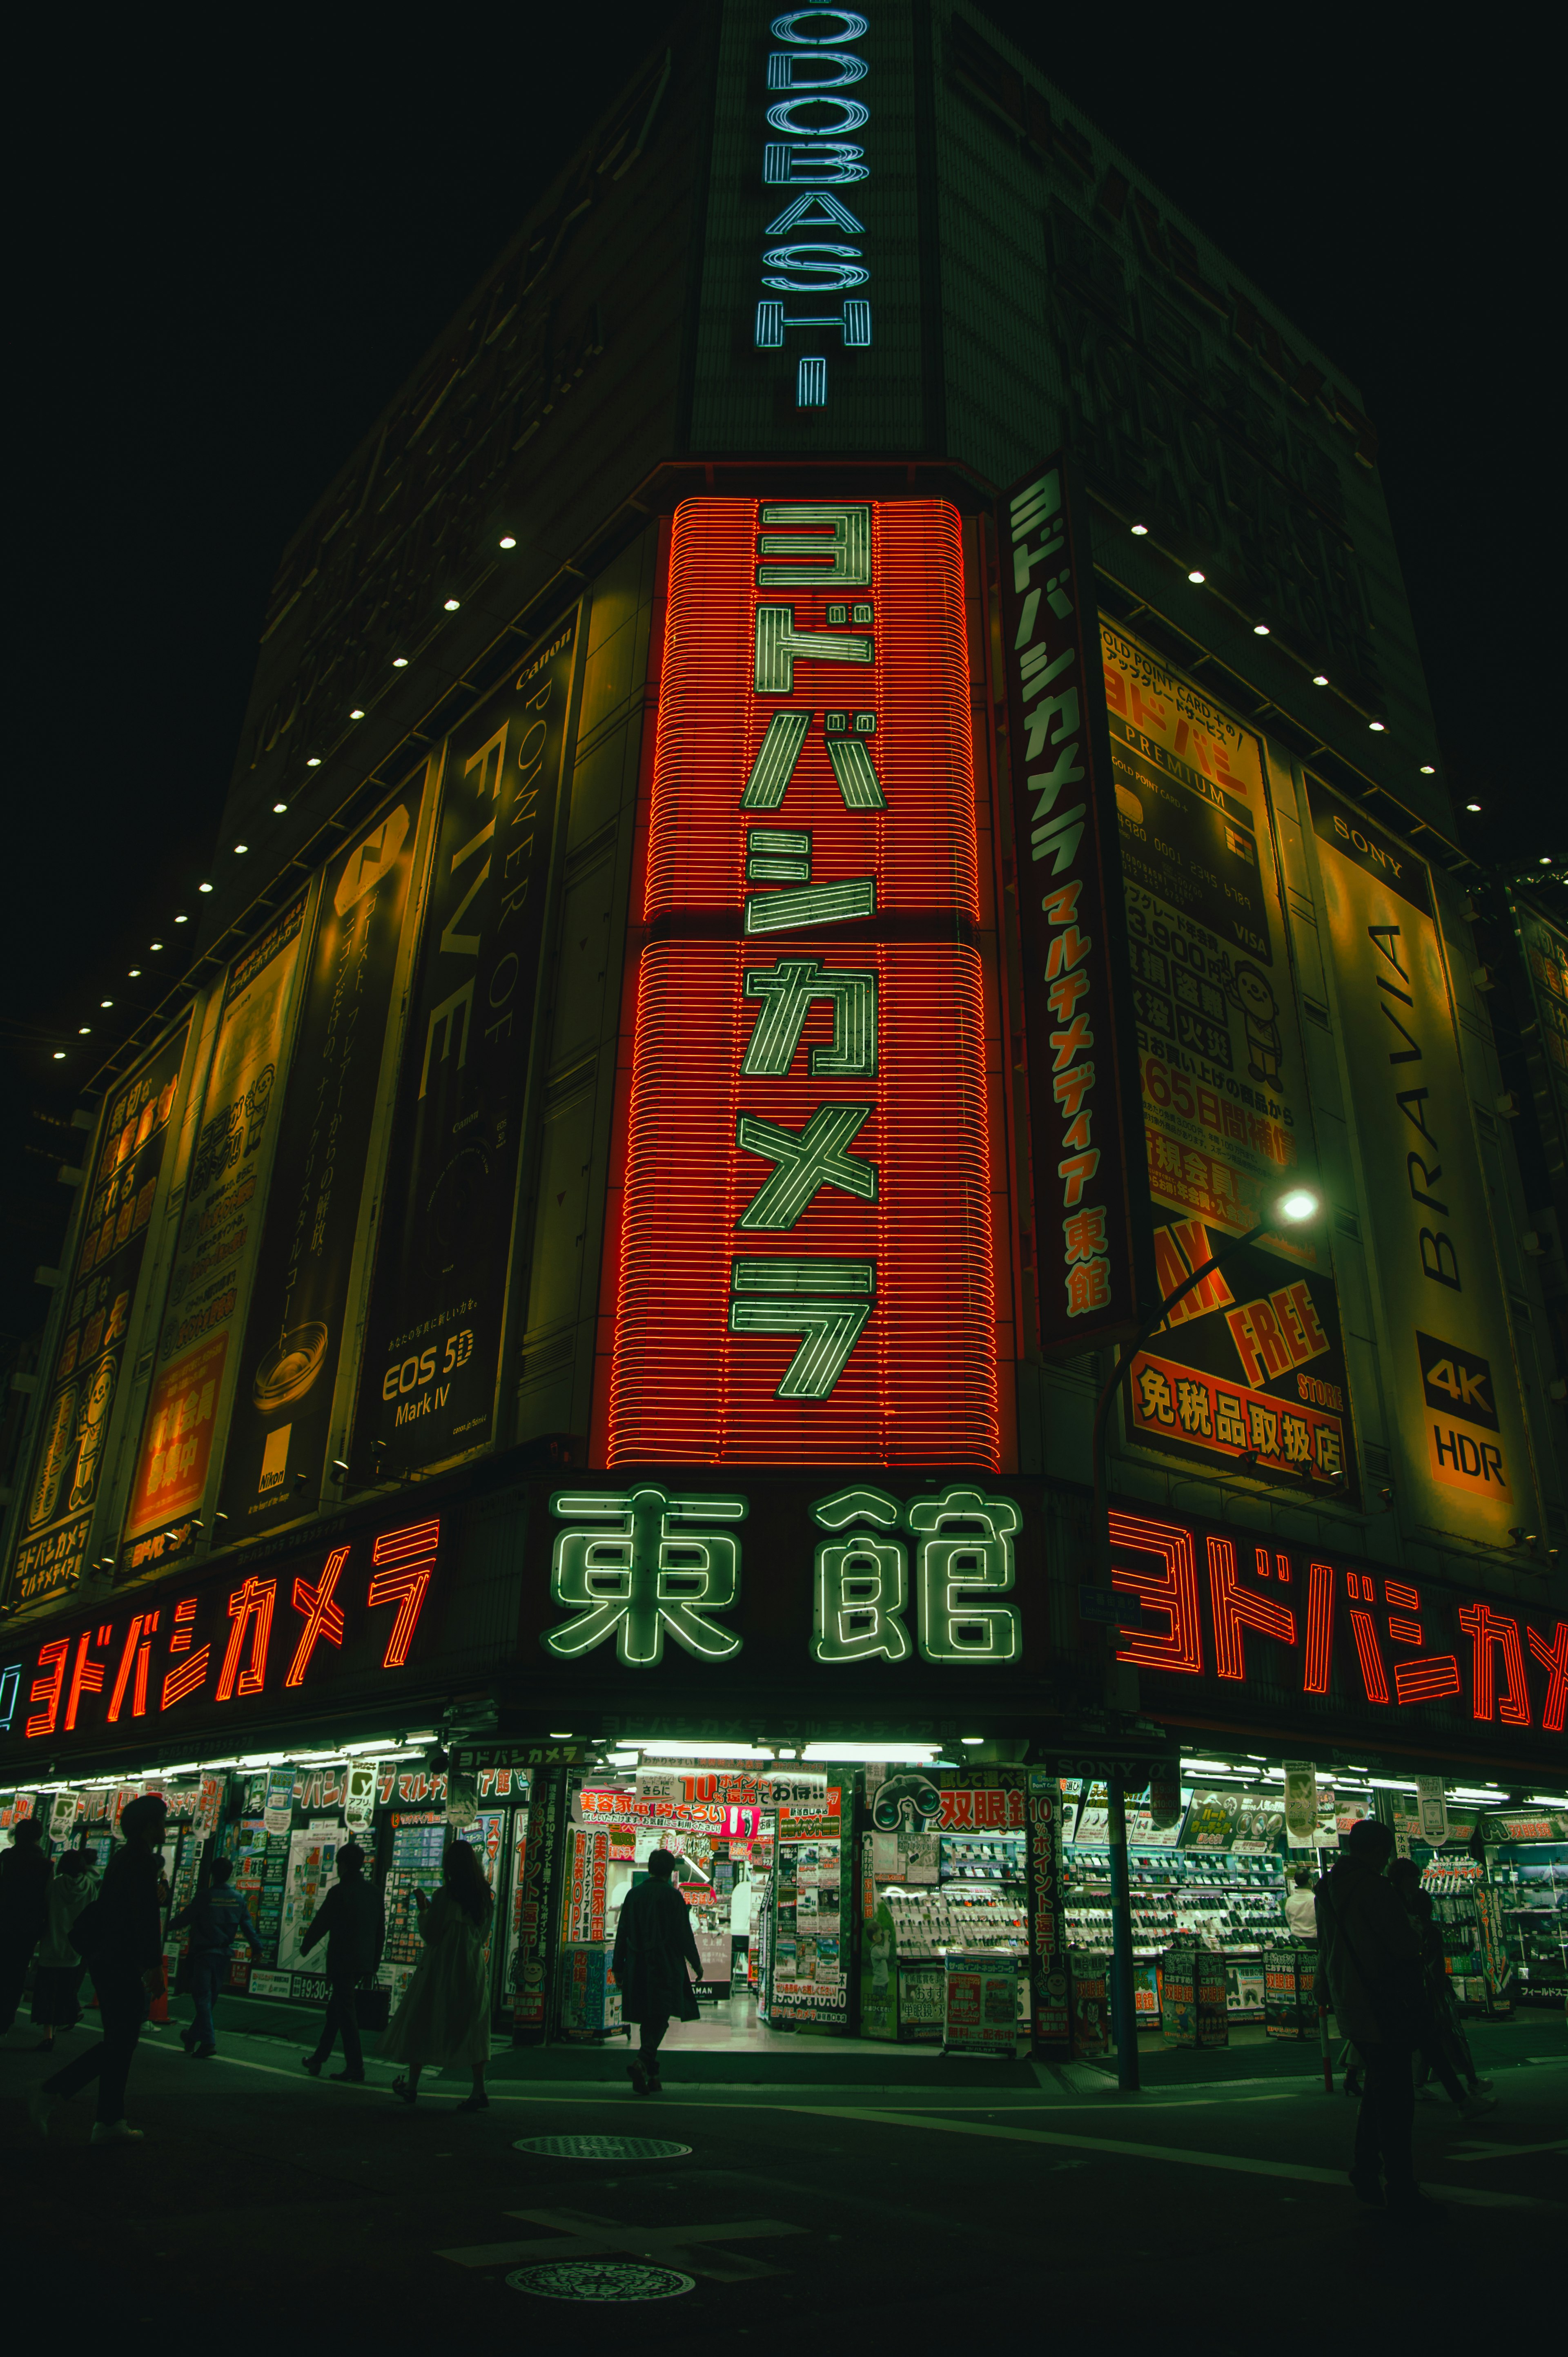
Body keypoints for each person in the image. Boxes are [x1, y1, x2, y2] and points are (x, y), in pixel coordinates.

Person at [29, 1794, 167, 2144]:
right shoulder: (142, 1860)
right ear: (150, 1825)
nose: (165, 1829)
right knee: (122, 2039)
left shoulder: (125, 1858)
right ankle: (53, 2092)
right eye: (161, 1822)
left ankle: (108, 2120)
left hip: (107, 1959)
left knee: (120, 2039)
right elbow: (145, 1916)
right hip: (120, 1961)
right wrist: (154, 1964)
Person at [1316, 1817, 1435, 2219]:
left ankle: (1367, 2167)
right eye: (1385, 1854)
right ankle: (1400, 2185)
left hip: (1350, 1998)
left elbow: (1326, 1946)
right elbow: (1402, 1945)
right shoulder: (1374, 1888)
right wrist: (1417, 1931)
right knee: (1396, 2098)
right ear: (1378, 1852)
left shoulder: (1327, 1889)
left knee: (1379, 2087)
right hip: (1383, 2001)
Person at [380, 1839, 492, 2109]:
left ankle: (413, 2085)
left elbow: (431, 1933)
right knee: (473, 2026)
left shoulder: (444, 1895)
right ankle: (479, 2089)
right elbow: (484, 1935)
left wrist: (423, 1908)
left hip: (441, 1968)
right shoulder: (485, 1897)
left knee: (425, 2018)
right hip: (473, 1968)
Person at [1386, 1857, 1496, 2117]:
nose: (1417, 1883)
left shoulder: (1396, 1909)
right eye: (1414, 1878)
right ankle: (1464, 2095)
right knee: (1428, 2043)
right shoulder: (1414, 1922)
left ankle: (1462, 2094)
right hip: (1418, 1991)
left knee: (1420, 2047)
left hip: (1410, 1991)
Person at [612, 1846, 702, 2096]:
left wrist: (618, 1966)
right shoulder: (673, 1897)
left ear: (651, 1868)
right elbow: (684, 1935)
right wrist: (696, 1963)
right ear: (671, 1871)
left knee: (648, 2016)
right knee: (660, 2016)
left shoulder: (633, 1895)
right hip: (665, 1966)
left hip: (638, 1965)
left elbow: (623, 1933)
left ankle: (653, 2076)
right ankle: (642, 2062)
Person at [299, 1842, 385, 2084]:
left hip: (343, 1961)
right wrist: (374, 1963)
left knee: (346, 2013)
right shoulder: (375, 1893)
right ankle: (319, 2058)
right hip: (364, 1961)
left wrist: (306, 1947)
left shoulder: (340, 1891)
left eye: (338, 1863)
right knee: (337, 2009)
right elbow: (381, 1932)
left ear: (344, 1865)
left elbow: (321, 1922)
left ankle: (356, 2067)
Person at [169, 1856, 262, 2058]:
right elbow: (247, 1926)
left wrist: (163, 1925)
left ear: (212, 1874)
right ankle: (193, 2036)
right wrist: (257, 1948)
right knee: (210, 1999)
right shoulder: (238, 1898)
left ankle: (208, 2042)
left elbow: (185, 1919)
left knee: (202, 1997)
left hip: (204, 1954)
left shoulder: (205, 1896)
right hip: (224, 1955)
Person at [31, 1846, 100, 2052]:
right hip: (75, 1952)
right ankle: (68, 2017)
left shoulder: (54, 1886)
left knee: (48, 1994)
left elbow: (44, 1911)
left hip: (51, 1948)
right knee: (65, 1992)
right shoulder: (90, 1887)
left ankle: (48, 2035)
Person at [0, 1817, 51, 2037]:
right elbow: (48, 1900)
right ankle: (5, 2019)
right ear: (39, 1838)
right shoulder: (46, 1865)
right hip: (27, 1929)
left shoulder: (5, 1860)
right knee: (15, 1974)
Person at [1284, 1868, 1317, 1938]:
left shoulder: (1290, 1900)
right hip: (1314, 1940)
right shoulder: (1315, 1900)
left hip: (1296, 1941)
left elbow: (1289, 1921)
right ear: (1310, 1881)